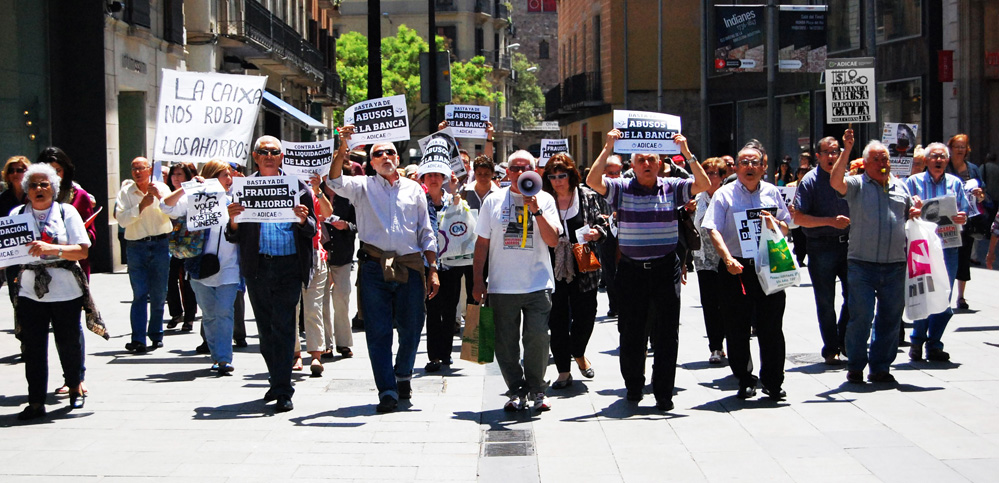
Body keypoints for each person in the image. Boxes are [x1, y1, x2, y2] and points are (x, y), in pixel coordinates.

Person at [586, 131, 709, 411]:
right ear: (633, 164)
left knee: (667, 333)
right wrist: (608, 147)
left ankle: (664, 392)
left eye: (651, 159)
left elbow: (702, 183)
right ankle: (633, 386)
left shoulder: (673, 187)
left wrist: (686, 152)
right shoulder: (622, 188)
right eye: (640, 160)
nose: (646, 164)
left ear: (660, 162)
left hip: (665, 268)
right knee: (632, 331)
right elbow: (592, 181)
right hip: (632, 270)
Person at [326, 126, 439, 414]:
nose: (386, 156)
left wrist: (433, 267)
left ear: (397, 158)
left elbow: (426, 231)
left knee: (413, 327)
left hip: (410, 266)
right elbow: (334, 179)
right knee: (378, 332)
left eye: (390, 152)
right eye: (378, 153)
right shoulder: (362, 186)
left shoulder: (415, 189)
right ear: (371, 162)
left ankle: (403, 373)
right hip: (374, 268)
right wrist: (343, 147)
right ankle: (387, 390)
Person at [225, 136, 317, 413]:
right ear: (255, 157)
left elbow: (312, 229)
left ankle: (283, 388)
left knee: (284, 325)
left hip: (289, 265)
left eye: (273, 152)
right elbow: (232, 235)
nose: (268, 156)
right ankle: (276, 379)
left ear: (281, 156)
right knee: (266, 330)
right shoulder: (243, 188)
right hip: (258, 268)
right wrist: (232, 219)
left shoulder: (298, 188)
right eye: (262, 152)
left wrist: (302, 219)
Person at [12, 164, 103, 419]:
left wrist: (51, 250)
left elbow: (82, 250)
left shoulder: (67, 212)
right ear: (26, 190)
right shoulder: (17, 213)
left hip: (65, 290)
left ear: (54, 187)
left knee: (68, 342)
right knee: (33, 347)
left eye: (44, 184)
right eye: (33, 185)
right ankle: (36, 401)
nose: (39, 189)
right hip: (31, 291)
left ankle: (75, 387)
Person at [472, 150, 561, 412]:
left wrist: (536, 211)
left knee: (537, 337)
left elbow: (553, 240)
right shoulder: (493, 201)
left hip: (538, 283)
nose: (519, 173)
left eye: (525, 168)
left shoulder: (545, 199)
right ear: (506, 172)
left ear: (536, 172)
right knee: (505, 342)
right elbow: (481, 244)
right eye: (514, 168)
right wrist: (478, 281)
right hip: (502, 285)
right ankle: (515, 389)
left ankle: (537, 389)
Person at [702, 144, 791, 400]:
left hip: (769, 263)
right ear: (736, 168)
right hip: (736, 267)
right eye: (744, 162)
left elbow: (786, 226)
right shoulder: (724, 195)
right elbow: (712, 228)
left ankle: (773, 381)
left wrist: (777, 224)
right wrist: (727, 258)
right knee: (737, 326)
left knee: (771, 326)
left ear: (764, 167)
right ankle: (744, 378)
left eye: (755, 162)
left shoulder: (772, 192)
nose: (749, 167)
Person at [830, 130, 920, 384]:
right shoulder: (858, 184)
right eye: (878, 160)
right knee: (861, 316)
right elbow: (836, 182)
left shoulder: (901, 186)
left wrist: (915, 212)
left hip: (895, 265)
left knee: (891, 319)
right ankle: (856, 365)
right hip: (862, 265)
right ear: (867, 164)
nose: (883, 164)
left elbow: (908, 216)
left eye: (886, 160)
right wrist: (847, 149)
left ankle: (880, 367)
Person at [161, 160, 241, 375]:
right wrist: (186, 188)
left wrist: (234, 218)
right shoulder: (194, 198)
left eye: (230, 175)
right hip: (198, 266)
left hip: (229, 267)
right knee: (209, 314)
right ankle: (216, 355)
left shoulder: (234, 200)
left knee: (224, 312)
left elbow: (239, 233)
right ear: (212, 177)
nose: (229, 179)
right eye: (224, 175)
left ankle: (224, 359)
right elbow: (165, 206)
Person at [541, 153, 607, 389]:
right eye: (553, 176)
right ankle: (563, 371)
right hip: (553, 265)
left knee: (586, 315)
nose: (558, 180)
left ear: (571, 176)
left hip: (584, 262)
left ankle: (578, 352)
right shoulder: (542, 200)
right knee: (556, 319)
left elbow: (603, 222)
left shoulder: (587, 196)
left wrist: (597, 233)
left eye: (562, 175)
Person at [904, 142, 973, 362]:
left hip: (948, 249)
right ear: (926, 160)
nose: (939, 160)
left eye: (943, 157)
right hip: (922, 249)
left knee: (943, 297)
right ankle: (917, 341)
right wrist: (912, 210)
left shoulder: (955, 183)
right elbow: (902, 211)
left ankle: (934, 343)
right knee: (924, 294)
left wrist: (963, 217)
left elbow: (965, 211)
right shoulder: (913, 182)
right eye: (934, 156)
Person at [793, 136, 852, 365]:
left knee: (855, 295)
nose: (832, 156)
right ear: (818, 156)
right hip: (821, 247)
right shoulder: (809, 181)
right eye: (827, 152)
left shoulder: (850, 178)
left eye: (835, 151)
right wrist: (830, 221)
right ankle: (831, 347)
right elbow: (798, 218)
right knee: (826, 301)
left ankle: (844, 337)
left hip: (849, 245)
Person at [115, 157, 173, 353]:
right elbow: (121, 220)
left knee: (159, 293)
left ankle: (156, 333)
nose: (138, 172)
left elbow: (174, 213)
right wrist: (141, 206)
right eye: (134, 169)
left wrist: (160, 199)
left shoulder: (162, 188)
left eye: (142, 168)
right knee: (139, 293)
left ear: (149, 170)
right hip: (136, 246)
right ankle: (138, 338)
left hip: (160, 244)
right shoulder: (126, 192)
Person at [292, 173, 335, 377]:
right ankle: (295, 354)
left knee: (313, 308)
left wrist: (317, 190)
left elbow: (327, 213)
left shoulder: (312, 192)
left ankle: (316, 354)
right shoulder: (284, 189)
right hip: (290, 256)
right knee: (291, 308)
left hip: (315, 256)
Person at [690, 157, 729, 364]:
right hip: (704, 257)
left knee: (728, 302)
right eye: (707, 173)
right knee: (710, 302)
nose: (711, 177)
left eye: (715, 173)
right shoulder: (696, 198)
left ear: (723, 177)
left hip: (728, 256)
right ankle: (715, 346)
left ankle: (731, 341)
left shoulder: (728, 196)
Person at [946, 134, 985, 310]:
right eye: (957, 146)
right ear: (951, 148)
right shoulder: (943, 166)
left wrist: (980, 195)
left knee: (964, 256)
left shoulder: (973, 169)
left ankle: (961, 297)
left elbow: (983, 195)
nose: (960, 149)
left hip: (967, 219)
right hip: (946, 218)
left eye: (963, 146)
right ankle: (944, 294)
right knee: (945, 257)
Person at [320, 174, 356, 359]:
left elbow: (359, 224)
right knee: (322, 301)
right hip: (320, 254)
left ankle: (343, 342)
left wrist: (347, 226)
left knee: (342, 298)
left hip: (342, 255)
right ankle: (326, 344)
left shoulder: (347, 197)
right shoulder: (313, 193)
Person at [164, 163, 199, 331]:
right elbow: (165, 207)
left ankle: (189, 317)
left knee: (187, 281)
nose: (176, 178)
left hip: (189, 243)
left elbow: (174, 211)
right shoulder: (167, 192)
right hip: (170, 244)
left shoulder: (192, 193)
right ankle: (176, 313)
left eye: (180, 174)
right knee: (171, 279)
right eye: (173, 175)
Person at [600, 155, 624, 317]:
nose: (615, 176)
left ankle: (625, 302)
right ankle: (614, 304)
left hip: (625, 230)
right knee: (609, 269)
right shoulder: (598, 186)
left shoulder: (627, 184)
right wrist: (601, 217)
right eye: (611, 173)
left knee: (625, 268)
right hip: (606, 230)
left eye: (617, 172)